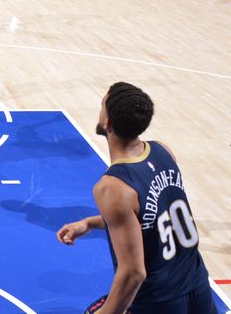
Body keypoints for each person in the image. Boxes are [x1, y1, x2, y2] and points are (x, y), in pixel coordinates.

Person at [57, 82, 216, 314]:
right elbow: (150, 216)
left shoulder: (112, 187)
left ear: (107, 122)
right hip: (198, 288)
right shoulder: (163, 151)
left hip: (159, 302)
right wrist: (90, 222)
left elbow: (133, 273)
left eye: (102, 105)